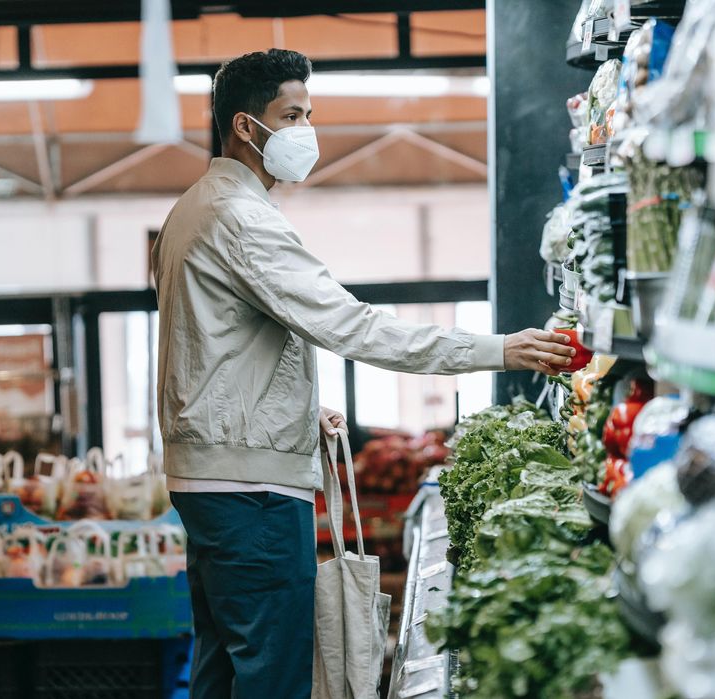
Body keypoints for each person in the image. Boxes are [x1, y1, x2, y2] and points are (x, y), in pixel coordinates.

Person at [152, 48, 577, 699]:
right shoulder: (241, 220)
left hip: (210, 477)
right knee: (274, 669)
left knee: (225, 661)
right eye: (290, 115)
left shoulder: (192, 208)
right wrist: (499, 350)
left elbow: (209, 349)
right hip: (252, 488)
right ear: (244, 126)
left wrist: (295, 407)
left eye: (308, 114)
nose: (305, 131)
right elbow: (353, 326)